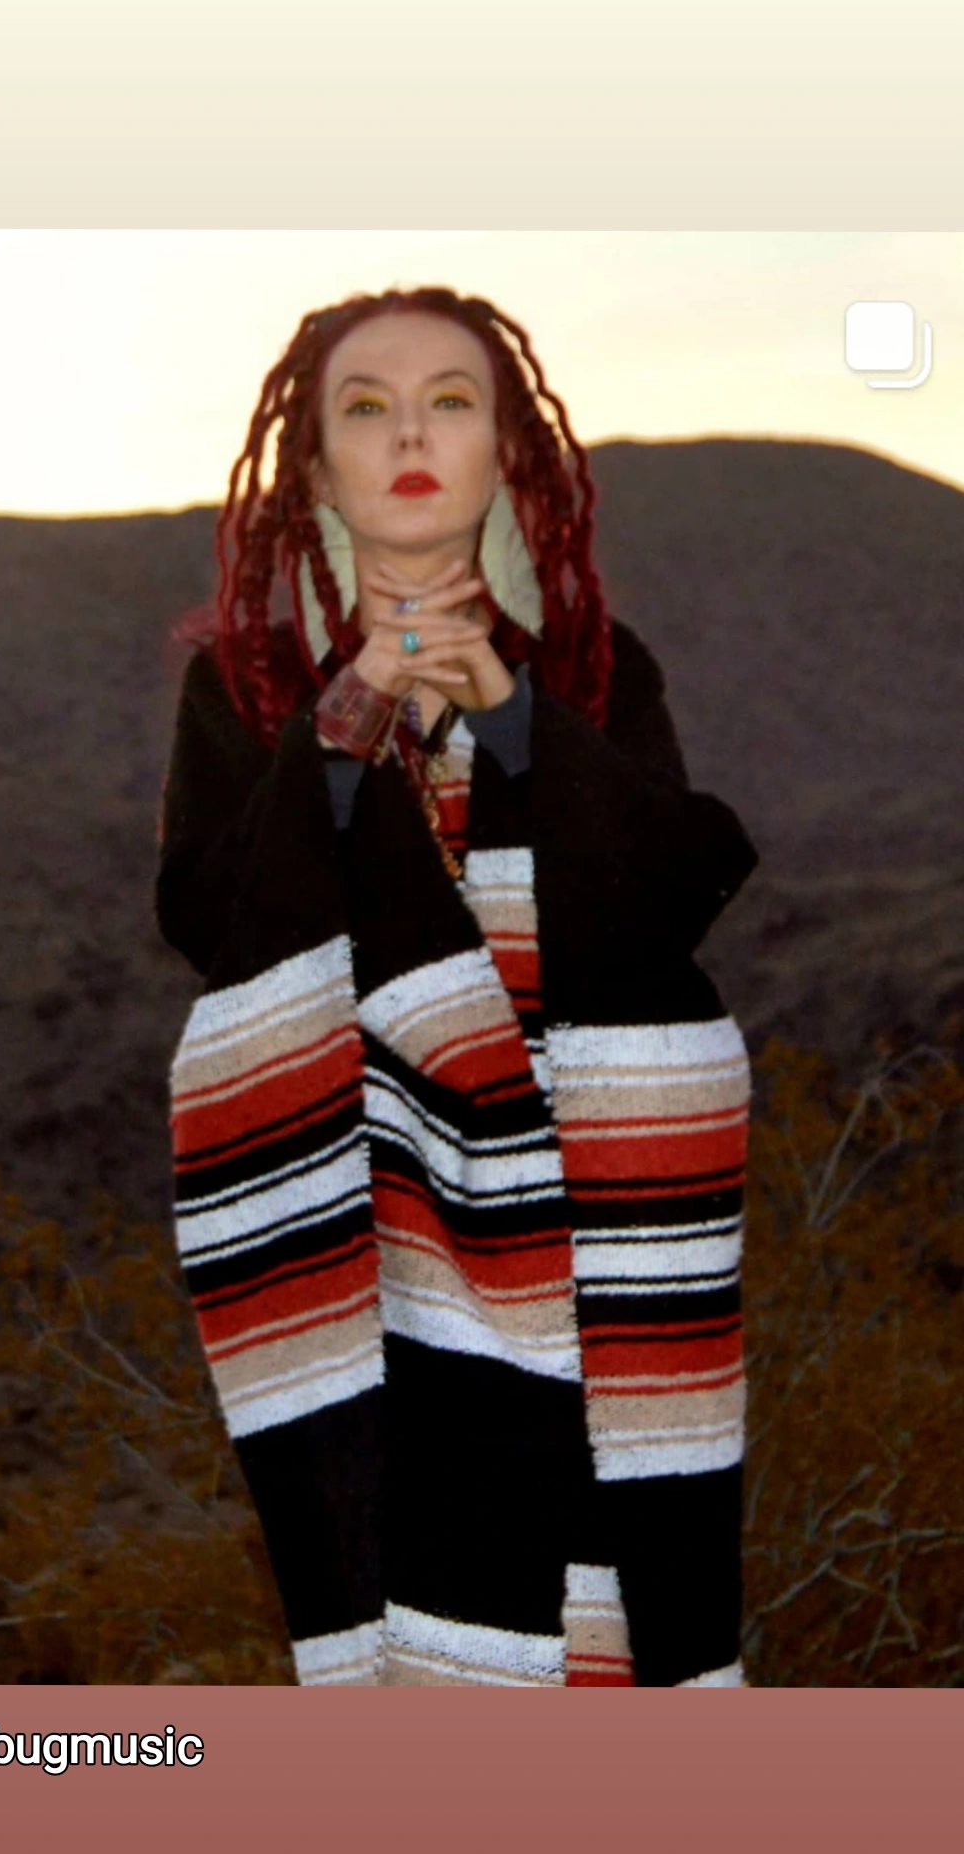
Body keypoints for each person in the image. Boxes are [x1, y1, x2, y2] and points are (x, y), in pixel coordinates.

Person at [156, 285, 760, 1686]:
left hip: (596, 1209)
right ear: (316, 468)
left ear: (505, 454)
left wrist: (513, 716)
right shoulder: (245, 689)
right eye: (366, 407)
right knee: (402, 1535)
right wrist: (349, 712)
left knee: (613, 1566)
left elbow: (679, 889)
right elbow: (205, 913)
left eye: (451, 402)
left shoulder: (593, 673)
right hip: (360, 1195)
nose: (412, 434)